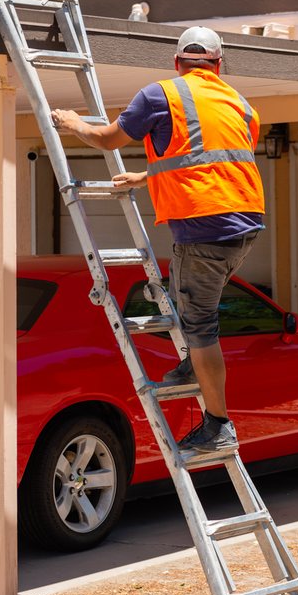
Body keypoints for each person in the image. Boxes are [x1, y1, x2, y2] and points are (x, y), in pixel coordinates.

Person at [51, 26, 265, 455]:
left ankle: (218, 423)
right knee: (187, 303)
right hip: (246, 222)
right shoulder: (241, 105)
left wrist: (72, 123)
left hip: (204, 227)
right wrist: (147, 176)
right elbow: (207, 161)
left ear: (177, 63)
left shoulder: (159, 94)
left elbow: (108, 138)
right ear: (218, 65)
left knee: (200, 323)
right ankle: (193, 367)